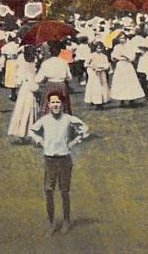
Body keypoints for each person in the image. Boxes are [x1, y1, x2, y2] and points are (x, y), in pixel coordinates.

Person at [29, 93, 89, 235]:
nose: (55, 105)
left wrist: (75, 141)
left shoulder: (68, 119)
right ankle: (51, 223)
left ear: (62, 104)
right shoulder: (44, 120)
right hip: (49, 159)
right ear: (48, 105)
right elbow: (32, 131)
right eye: (52, 102)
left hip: (64, 159)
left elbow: (85, 129)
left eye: (58, 102)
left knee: (64, 191)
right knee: (49, 190)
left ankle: (66, 220)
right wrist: (41, 141)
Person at [7, 46, 40, 142]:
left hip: (24, 89)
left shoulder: (23, 64)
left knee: (21, 111)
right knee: (28, 111)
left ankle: (22, 133)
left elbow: (18, 80)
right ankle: (26, 133)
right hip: (30, 89)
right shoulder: (32, 65)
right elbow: (32, 80)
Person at [37, 41, 74, 115]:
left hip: (50, 85)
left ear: (50, 51)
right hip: (62, 85)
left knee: (50, 105)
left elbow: (38, 79)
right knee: (62, 106)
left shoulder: (46, 63)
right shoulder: (64, 62)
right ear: (59, 52)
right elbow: (69, 77)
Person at [109, 34, 145, 107]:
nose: (122, 40)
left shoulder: (130, 46)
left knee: (130, 82)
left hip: (128, 65)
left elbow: (132, 57)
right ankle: (121, 100)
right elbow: (113, 56)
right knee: (121, 82)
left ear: (126, 39)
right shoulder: (117, 47)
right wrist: (118, 57)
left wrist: (125, 57)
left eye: (123, 38)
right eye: (120, 38)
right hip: (120, 66)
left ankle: (132, 100)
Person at [83, 41, 110, 109]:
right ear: (95, 48)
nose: (99, 50)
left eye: (100, 48)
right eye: (97, 48)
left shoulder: (104, 56)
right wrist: (92, 67)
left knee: (103, 86)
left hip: (102, 73)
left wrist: (103, 68)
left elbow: (107, 64)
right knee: (95, 87)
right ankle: (95, 102)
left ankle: (102, 102)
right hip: (94, 74)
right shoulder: (92, 55)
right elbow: (86, 64)